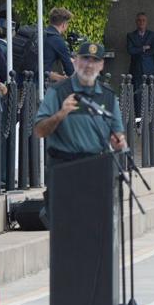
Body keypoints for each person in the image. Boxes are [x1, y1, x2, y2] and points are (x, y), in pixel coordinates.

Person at [34, 42, 126, 225]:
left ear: (101, 66)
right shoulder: (59, 91)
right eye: (85, 59)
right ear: (75, 61)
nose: (89, 65)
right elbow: (39, 130)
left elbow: (117, 133)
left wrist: (120, 142)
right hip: (63, 169)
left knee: (94, 229)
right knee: (66, 230)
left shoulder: (107, 95)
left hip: (95, 170)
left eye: (95, 60)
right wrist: (60, 114)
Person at [127, 11, 154, 109]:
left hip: (150, 70)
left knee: (151, 97)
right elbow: (130, 50)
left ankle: (151, 122)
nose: (141, 22)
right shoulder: (130, 35)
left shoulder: (152, 35)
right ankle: (138, 122)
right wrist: (143, 48)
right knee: (137, 97)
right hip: (136, 70)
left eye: (143, 20)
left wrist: (139, 51)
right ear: (136, 22)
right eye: (139, 20)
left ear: (146, 22)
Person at [43, 7, 75, 84]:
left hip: (24, 80)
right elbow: (70, 71)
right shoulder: (58, 40)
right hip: (39, 87)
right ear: (64, 25)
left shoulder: (42, 34)